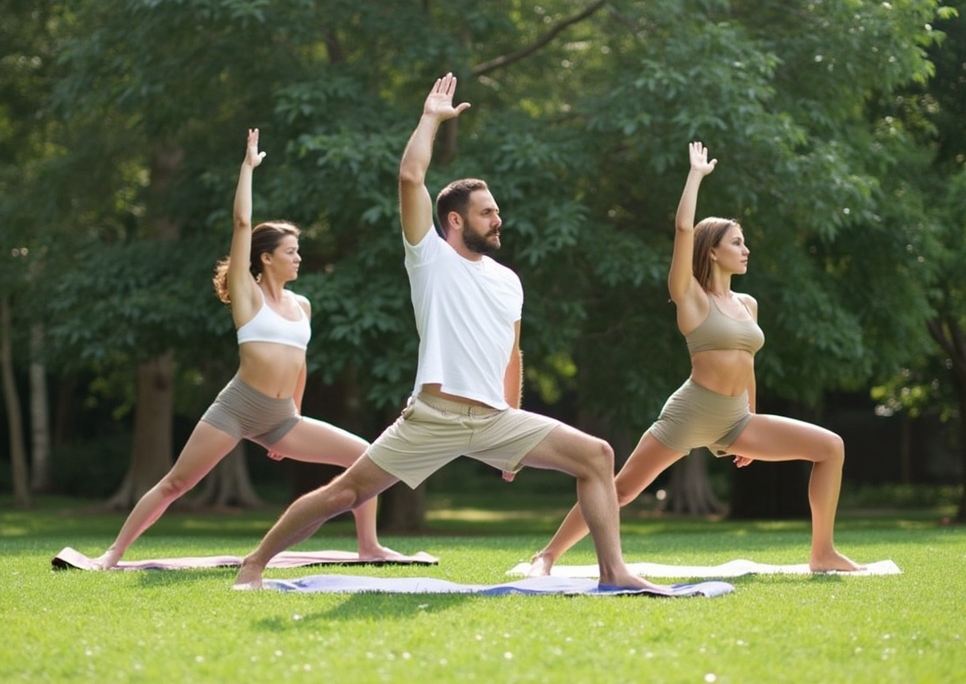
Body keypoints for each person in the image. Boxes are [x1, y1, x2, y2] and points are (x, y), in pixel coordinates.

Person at [234, 74, 663, 591]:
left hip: (493, 418)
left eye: (498, 212)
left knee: (596, 455)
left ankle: (614, 573)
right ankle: (254, 564)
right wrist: (431, 118)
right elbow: (411, 177)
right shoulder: (430, 258)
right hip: (434, 416)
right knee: (347, 493)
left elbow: (512, 354)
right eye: (488, 213)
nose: (498, 220)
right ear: (455, 221)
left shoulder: (508, 281)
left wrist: (513, 425)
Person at [529, 141, 861, 577]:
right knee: (623, 489)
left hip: (736, 418)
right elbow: (684, 229)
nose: (745, 250)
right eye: (736, 242)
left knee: (830, 447)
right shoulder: (691, 299)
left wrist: (751, 422)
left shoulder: (748, 303)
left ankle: (823, 553)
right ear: (712, 251)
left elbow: (748, 366)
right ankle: (548, 555)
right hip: (690, 413)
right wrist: (695, 176)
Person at [93, 128, 402, 569]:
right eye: (291, 251)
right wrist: (247, 168)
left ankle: (368, 546)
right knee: (177, 483)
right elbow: (242, 223)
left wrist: (292, 414)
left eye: (299, 251)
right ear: (266, 258)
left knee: (366, 456)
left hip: (282, 417)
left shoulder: (303, 306)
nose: (299, 258)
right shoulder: (247, 295)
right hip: (237, 408)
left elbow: (300, 366)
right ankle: (112, 553)